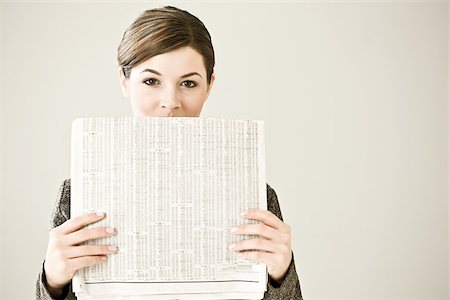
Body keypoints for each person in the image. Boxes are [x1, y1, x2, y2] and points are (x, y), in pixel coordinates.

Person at [35, 6, 303, 300]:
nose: (170, 102)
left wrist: (282, 274)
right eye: (151, 81)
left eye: (188, 83)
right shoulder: (78, 196)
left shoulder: (256, 199)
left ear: (209, 86)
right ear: (124, 81)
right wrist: (53, 282)